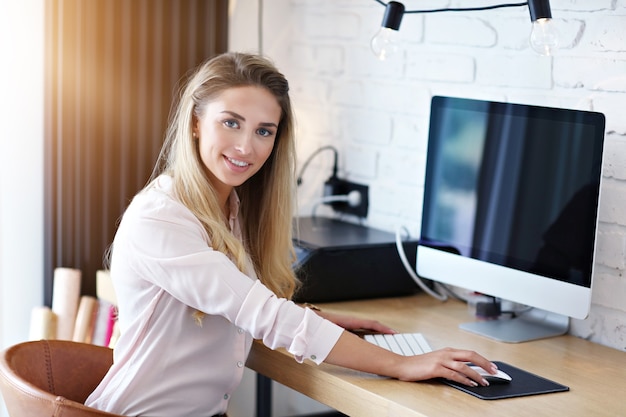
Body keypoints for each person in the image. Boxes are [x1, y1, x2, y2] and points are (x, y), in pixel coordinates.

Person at [85, 52, 498, 417]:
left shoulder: (229, 208)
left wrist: (320, 321)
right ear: (196, 123)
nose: (246, 147)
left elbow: (243, 300)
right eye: (231, 123)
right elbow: (263, 315)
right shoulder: (163, 217)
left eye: (264, 131)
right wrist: (405, 364)